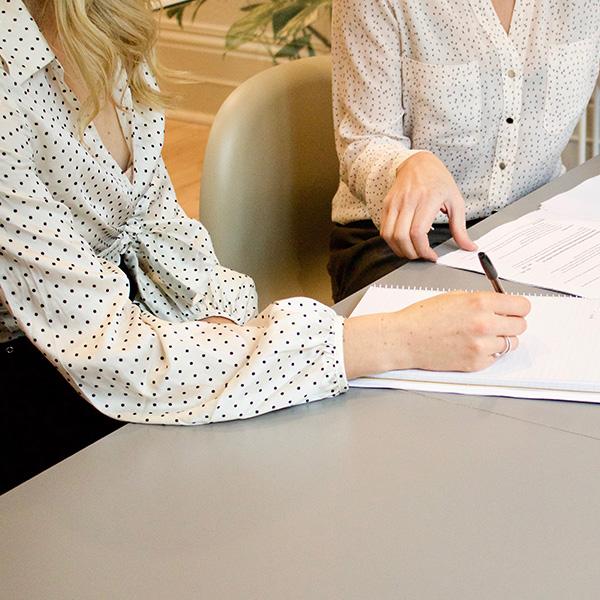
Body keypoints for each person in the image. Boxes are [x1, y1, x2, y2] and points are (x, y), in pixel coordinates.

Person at [0, 0, 530, 494]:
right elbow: (112, 352)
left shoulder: (107, 26)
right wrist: (396, 341)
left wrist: (224, 326)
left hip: (128, 339)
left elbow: (160, 227)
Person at [329, 0, 600, 302]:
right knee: (484, 340)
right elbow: (362, 140)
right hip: (407, 237)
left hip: (538, 223)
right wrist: (408, 165)